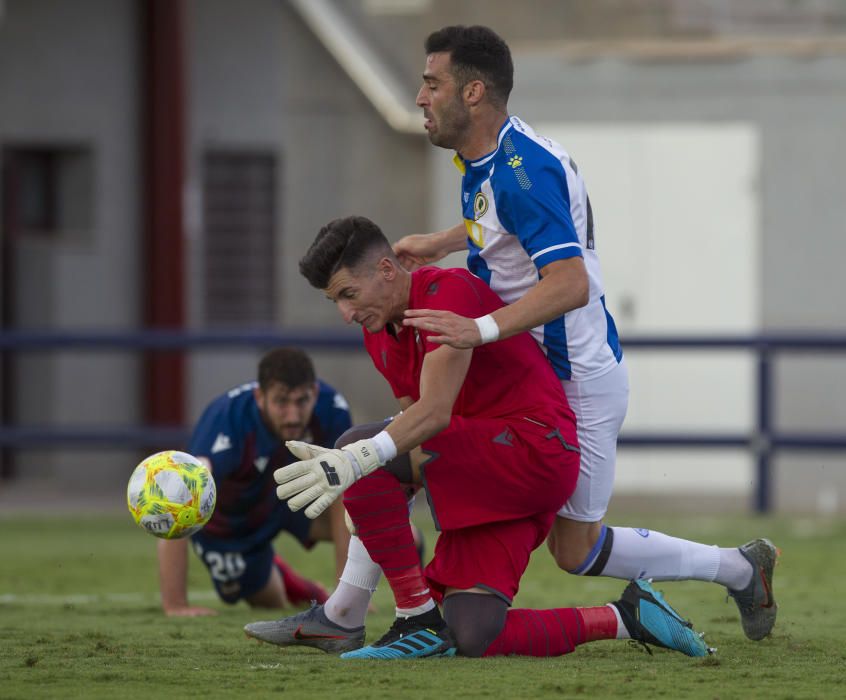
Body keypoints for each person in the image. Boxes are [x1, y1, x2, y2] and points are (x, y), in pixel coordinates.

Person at [394, 24, 777, 642]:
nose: (419, 96)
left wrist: (480, 329)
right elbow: (506, 222)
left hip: (574, 380)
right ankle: (364, 607)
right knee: (415, 447)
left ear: (472, 92)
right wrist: (441, 242)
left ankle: (737, 567)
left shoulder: (523, 170)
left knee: (574, 549)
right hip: (531, 377)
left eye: (431, 82)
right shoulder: (494, 157)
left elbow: (569, 283)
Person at [245, 216, 711, 660]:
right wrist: (374, 496)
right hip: (483, 465)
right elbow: (412, 424)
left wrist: (358, 465)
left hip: (532, 450)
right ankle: (627, 617)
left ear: (386, 270)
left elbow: (431, 415)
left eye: (348, 294)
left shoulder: (445, 293)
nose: (345, 313)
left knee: (359, 445)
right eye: (336, 302)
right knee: (474, 632)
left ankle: (400, 617)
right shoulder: (379, 331)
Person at [157, 347, 352, 616]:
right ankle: (302, 587)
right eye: (282, 402)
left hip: (291, 498)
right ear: (260, 397)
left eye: (302, 401)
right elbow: (180, 502)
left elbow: (344, 493)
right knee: (269, 601)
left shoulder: (332, 410)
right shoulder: (225, 422)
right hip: (233, 524)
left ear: (315, 393)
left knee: (392, 532)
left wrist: (347, 595)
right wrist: (175, 605)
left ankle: (416, 604)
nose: (293, 415)